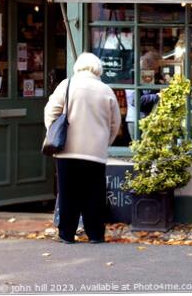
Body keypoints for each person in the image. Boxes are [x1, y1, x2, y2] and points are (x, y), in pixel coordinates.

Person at [44, 52, 121, 244]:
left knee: (68, 193)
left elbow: (51, 111)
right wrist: (105, 141)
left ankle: (67, 234)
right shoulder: (106, 90)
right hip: (95, 152)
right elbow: (115, 124)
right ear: (98, 68)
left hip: (68, 150)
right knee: (94, 194)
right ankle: (95, 234)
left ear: (77, 66)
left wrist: (54, 132)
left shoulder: (67, 85)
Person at [124, 50, 161, 140]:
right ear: (149, 65)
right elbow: (135, 100)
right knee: (139, 149)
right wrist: (157, 96)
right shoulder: (134, 76)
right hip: (137, 120)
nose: (156, 71)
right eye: (155, 68)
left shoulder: (148, 76)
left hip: (145, 118)